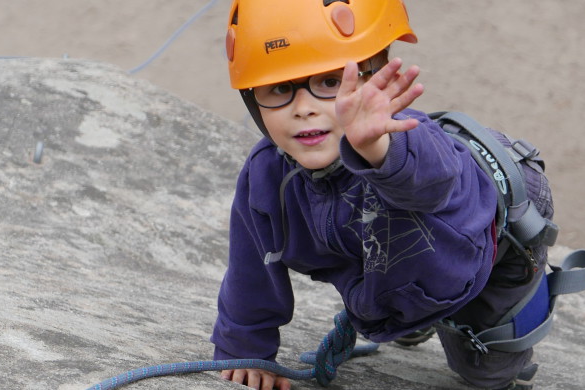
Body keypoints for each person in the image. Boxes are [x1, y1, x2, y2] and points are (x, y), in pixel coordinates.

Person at [211, 1, 550, 389]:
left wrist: (377, 150)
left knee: (486, 374)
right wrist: (246, 347)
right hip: (401, 258)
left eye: (330, 82)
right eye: (279, 89)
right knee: (394, 312)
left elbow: (435, 184)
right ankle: (412, 305)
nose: (303, 109)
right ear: (252, 100)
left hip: (502, 217)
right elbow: (252, 265)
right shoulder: (268, 175)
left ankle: (506, 293)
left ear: (379, 79)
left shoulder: (408, 140)